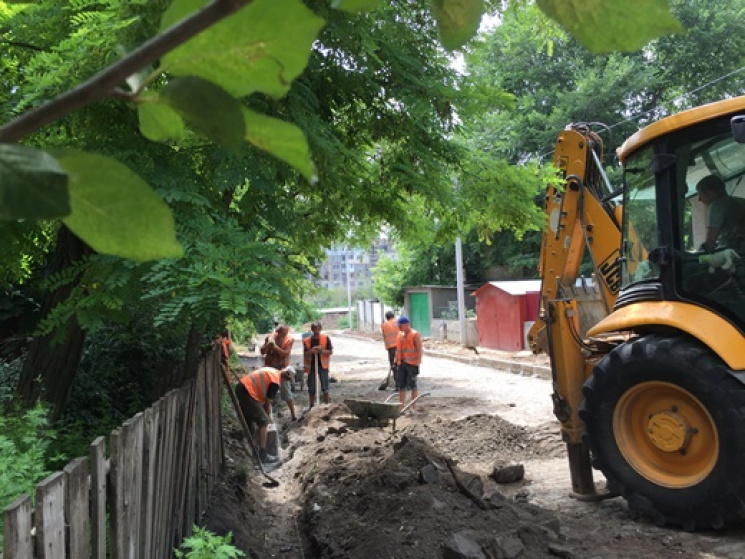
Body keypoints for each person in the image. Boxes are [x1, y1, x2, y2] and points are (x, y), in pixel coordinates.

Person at [234, 367, 295, 464]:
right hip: (247, 391)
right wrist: (267, 417)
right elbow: (267, 403)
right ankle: (263, 454)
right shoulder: (275, 382)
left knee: (249, 422)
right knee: (264, 422)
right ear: (286, 379)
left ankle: (254, 453)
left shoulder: (273, 372)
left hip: (241, 388)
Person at [695, 175, 745, 253]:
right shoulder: (741, 201)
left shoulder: (716, 206)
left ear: (710, 193)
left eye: (701, 195)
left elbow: (710, 243)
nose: (699, 199)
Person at [395, 315, 422, 414]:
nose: (399, 328)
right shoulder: (400, 335)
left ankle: (413, 407)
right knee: (401, 386)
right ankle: (401, 408)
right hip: (401, 364)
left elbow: (419, 349)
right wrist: (396, 360)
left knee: (413, 385)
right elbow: (398, 350)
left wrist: (417, 362)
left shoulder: (415, 334)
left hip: (412, 364)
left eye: (400, 326)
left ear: (407, 325)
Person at [303, 321, 333, 408]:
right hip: (311, 366)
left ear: (320, 329)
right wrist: (311, 351)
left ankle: (327, 405)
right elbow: (305, 353)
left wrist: (321, 351)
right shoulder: (307, 340)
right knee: (311, 387)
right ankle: (311, 406)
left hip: (323, 366)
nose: (316, 330)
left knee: (325, 386)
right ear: (312, 329)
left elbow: (330, 351)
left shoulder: (326, 338)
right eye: (314, 328)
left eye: (318, 328)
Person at [381, 310, 399, 389]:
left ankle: (398, 385)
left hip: (391, 348)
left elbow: (384, 337)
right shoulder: (398, 321)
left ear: (386, 318)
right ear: (393, 316)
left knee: (394, 366)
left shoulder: (384, 325)